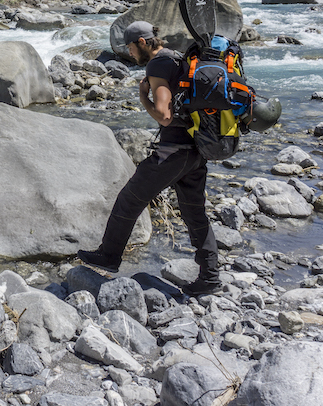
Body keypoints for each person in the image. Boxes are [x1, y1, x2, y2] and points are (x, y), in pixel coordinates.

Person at [77, 20, 221, 296]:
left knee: (130, 199)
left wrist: (144, 98)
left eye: (130, 47)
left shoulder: (157, 65)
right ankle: (210, 277)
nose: (129, 53)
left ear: (142, 43)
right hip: (196, 151)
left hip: (173, 152)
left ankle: (109, 256)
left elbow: (165, 116)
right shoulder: (178, 57)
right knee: (195, 214)